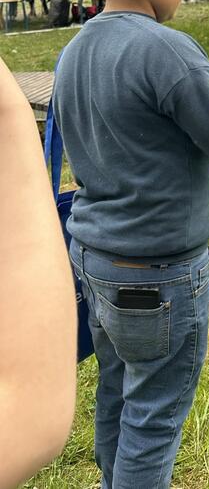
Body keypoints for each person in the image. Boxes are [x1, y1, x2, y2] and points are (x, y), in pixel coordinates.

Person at [52, 0, 209, 489]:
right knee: (152, 422)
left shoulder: (75, 51)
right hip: (159, 278)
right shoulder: (166, 50)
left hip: (96, 264)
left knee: (119, 395)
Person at [0, 57, 77, 488]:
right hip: (163, 269)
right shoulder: (174, 58)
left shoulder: (77, 54)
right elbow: (30, 415)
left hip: (95, 254)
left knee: (121, 396)